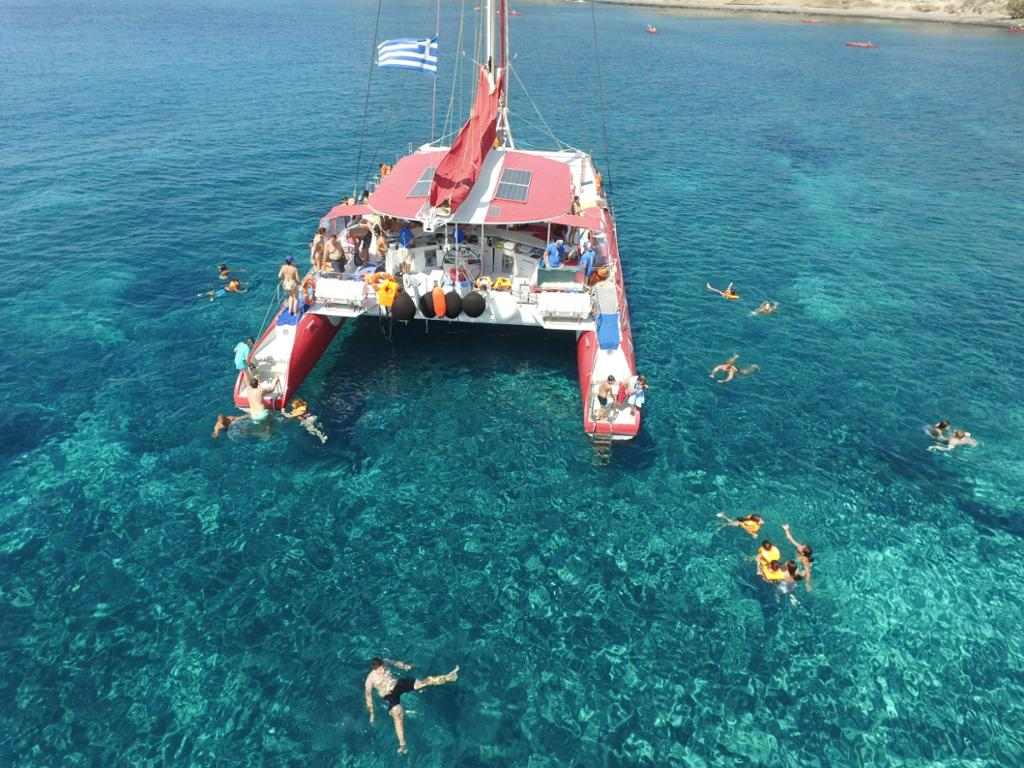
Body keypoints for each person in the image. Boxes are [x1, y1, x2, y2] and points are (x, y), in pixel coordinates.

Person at [364, 657, 459, 755]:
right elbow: (368, 696)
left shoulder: (385, 662)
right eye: (380, 670)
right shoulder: (370, 680)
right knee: (398, 713)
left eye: (383, 667)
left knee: (423, 682)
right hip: (389, 694)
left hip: (398, 684)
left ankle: (449, 677)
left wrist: (406, 666)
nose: (383, 670)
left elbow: (396, 663)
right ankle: (402, 744)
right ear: (374, 669)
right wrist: (372, 713)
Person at [782, 523, 814, 591]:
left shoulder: (804, 559)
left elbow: (808, 573)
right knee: (786, 565)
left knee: (786, 576)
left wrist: (808, 584)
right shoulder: (800, 549)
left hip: (800, 571)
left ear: (802, 553)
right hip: (797, 564)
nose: (800, 546)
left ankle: (790, 585)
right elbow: (791, 539)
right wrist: (787, 530)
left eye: (802, 547)